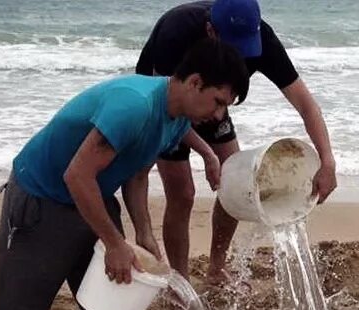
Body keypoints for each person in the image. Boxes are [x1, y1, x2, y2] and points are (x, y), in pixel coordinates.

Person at [0, 38, 250, 310]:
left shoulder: (174, 112)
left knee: (115, 301)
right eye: (218, 102)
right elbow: (77, 175)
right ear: (195, 82)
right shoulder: (133, 106)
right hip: (43, 199)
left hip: (91, 196)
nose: (219, 116)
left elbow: (133, 168)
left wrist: (143, 233)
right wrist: (113, 241)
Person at [137, 0, 337, 282]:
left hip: (212, 99)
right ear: (210, 31)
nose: (241, 55)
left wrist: (327, 161)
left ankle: (216, 267)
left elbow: (306, 104)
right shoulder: (177, 32)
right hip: (165, 102)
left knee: (234, 178)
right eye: (235, 46)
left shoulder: (262, 40)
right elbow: (166, 107)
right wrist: (206, 153)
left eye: (247, 48)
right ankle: (180, 284)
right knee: (182, 193)